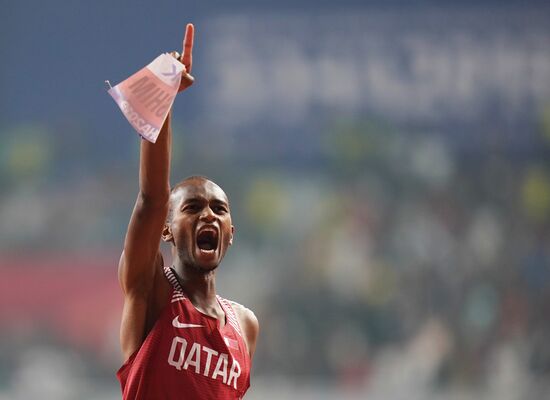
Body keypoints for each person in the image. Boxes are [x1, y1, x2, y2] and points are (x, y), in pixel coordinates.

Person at [116, 23, 259, 400]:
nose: (208, 215)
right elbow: (151, 199)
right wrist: (161, 93)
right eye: (192, 207)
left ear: (231, 232)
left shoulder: (245, 325)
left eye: (219, 209)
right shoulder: (151, 290)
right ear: (167, 231)